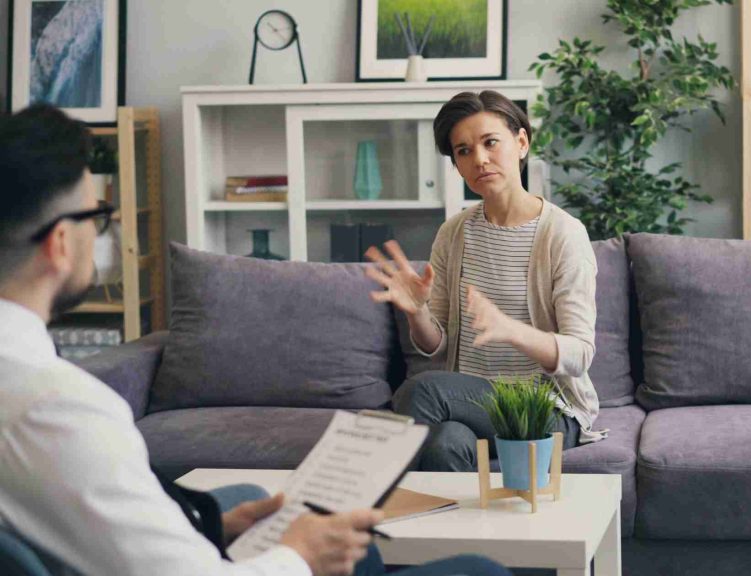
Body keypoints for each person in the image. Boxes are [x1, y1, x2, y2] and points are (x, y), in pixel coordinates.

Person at [0, 104, 510, 576]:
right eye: (98, 217)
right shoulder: (58, 408)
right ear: (61, 243)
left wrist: (213, 525)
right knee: (479, 569)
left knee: (296, 518)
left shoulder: (30, 388)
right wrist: (301, 554)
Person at [365, 90, 606, 472]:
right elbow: (437, 345)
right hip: (473, 408)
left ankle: (372, 505)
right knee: (445, 444)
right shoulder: (454, 233)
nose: (478, 159)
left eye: (490, 142)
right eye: (462, 151)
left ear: (521, 142)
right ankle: (459, 532)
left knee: (423, 389)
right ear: (457, 165)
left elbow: (579, 355)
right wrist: (417, 313)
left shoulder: (562, 234)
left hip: (548, 410)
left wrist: (511, 329)